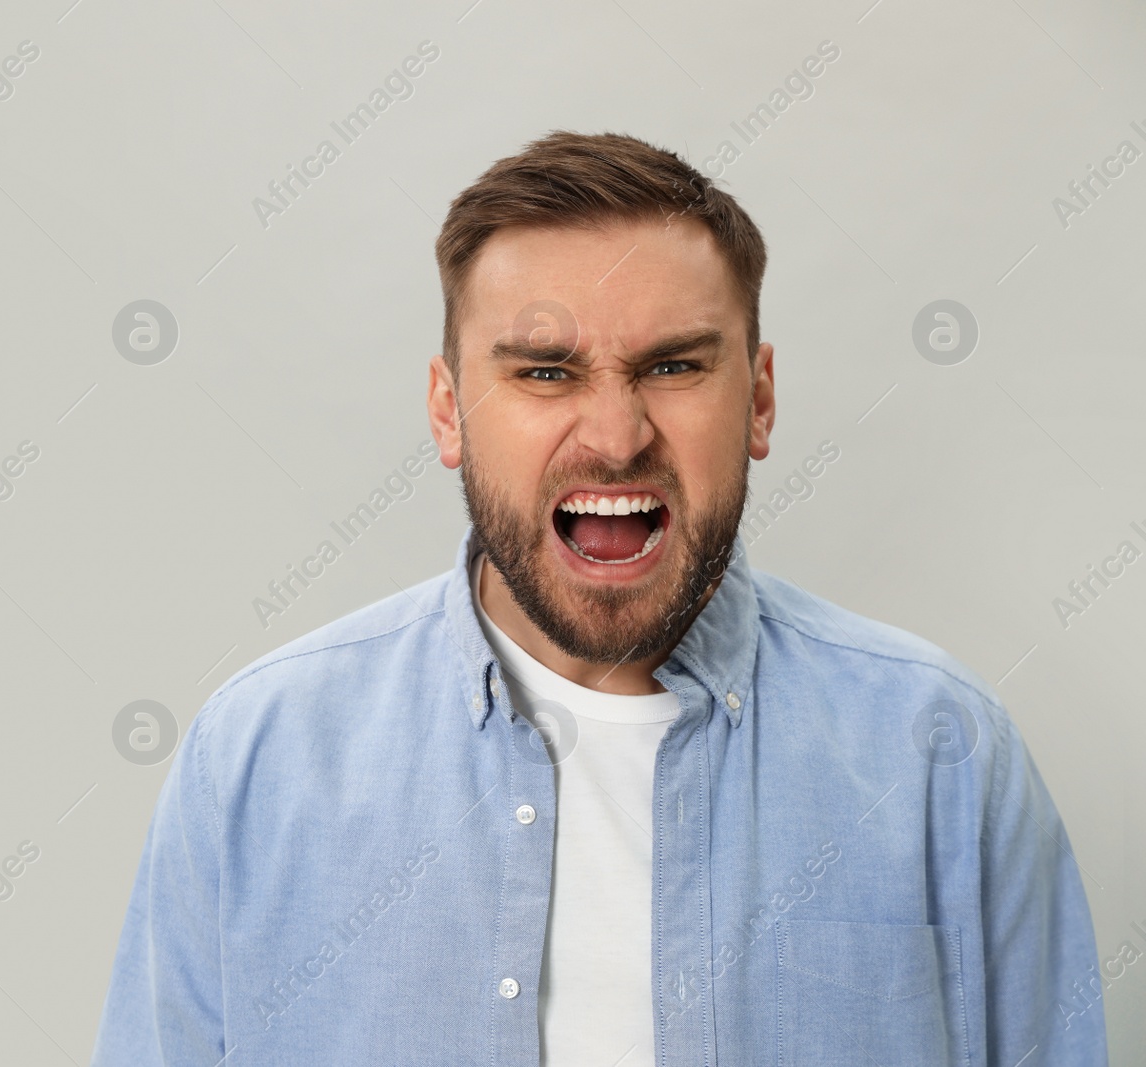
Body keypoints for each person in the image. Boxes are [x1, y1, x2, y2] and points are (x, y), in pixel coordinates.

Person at [91, 130, 1107, 1066]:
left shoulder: (938, 750)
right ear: (449, 410)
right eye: (545, 371)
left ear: (756, 398)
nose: (615, 435)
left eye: (672, 365)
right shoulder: (257, 757)